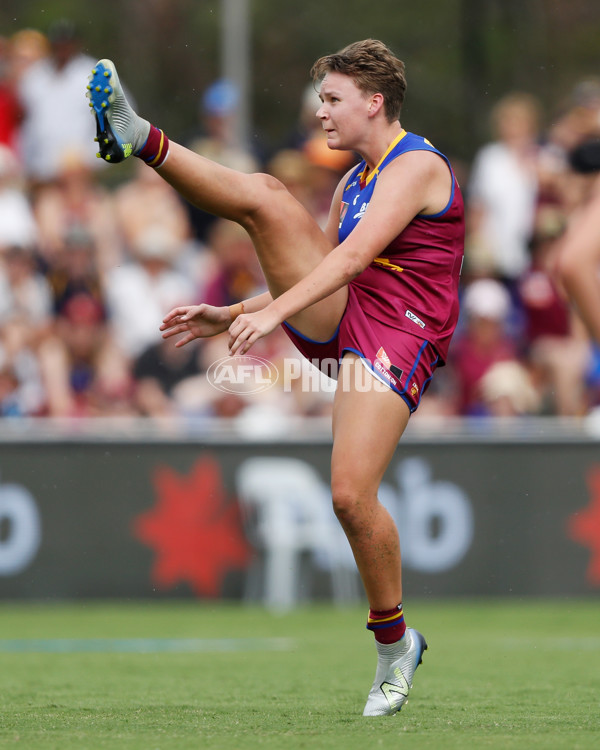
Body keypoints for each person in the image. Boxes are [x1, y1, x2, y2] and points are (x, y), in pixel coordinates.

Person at [87, 39, 464, 716]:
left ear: (374, 103)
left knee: (349, 496)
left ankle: (394, 646)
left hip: (402, 332)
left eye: (332, 100)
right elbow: (314, 271)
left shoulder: (418, 165)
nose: (320, 113)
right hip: (346, 321)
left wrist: (270, 320)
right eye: (322, 100)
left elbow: (348, 261)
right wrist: (232, 311)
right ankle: (138, 135)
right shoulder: (353, 181)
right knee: (265, 194)